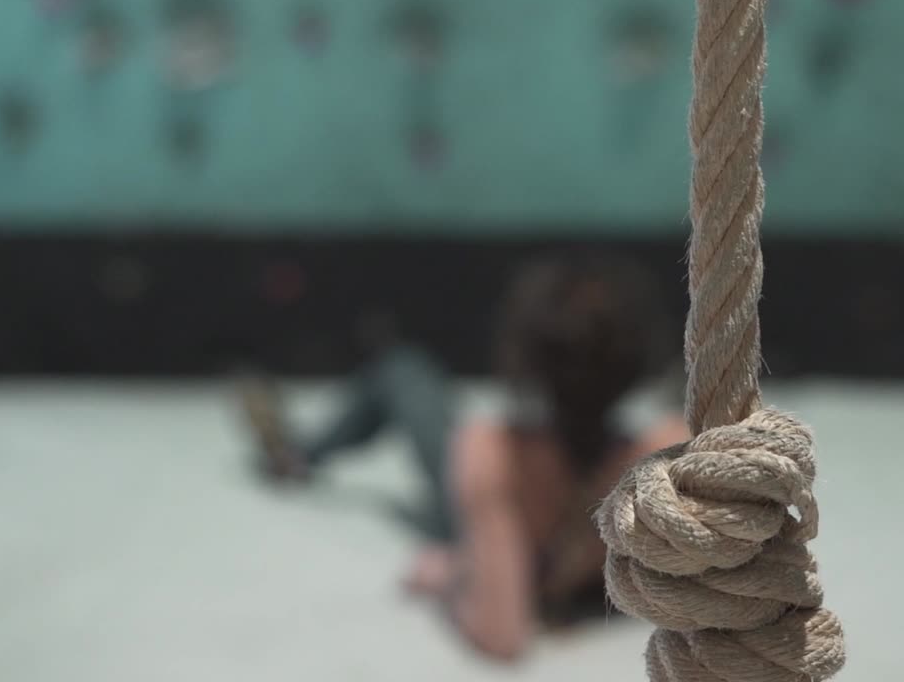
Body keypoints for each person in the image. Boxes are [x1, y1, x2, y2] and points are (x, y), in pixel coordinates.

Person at [240, 252, 687, 661]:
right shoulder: (661, 452)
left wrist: (453, 574)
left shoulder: (493, 452)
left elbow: (502, 634)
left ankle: (297, 454)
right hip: (549, 536)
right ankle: (298, 451)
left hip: (487, 527)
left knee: (404, 371)